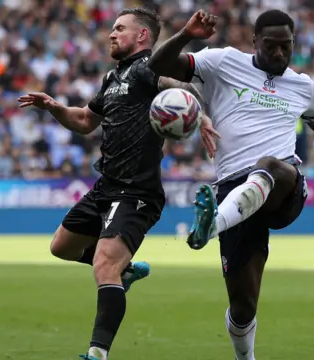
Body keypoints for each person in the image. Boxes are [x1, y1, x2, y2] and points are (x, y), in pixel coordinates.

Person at [148, 9, 314, 360]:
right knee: (243, 308)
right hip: (233, 194)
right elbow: (157, 65)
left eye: (285, 46)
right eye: (271, 46)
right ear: (255, 41)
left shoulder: (303, 87)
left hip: (284, 187)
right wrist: (185, 34)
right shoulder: (222, 62)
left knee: (271, 165)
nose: (279, 53)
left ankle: (210, 226)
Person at [18, 8, 205, 360]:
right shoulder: (112, 77)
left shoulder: (150, 69)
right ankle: (126, 271)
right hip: (106, 186)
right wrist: (55, 107)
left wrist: (201, 116)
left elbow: (178, 90)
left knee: (104, 263)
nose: (111, 34)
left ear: (142, 37)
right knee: (62, 247)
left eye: (120, 28)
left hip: (137, 192)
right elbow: (87, 120)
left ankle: (97, 353)